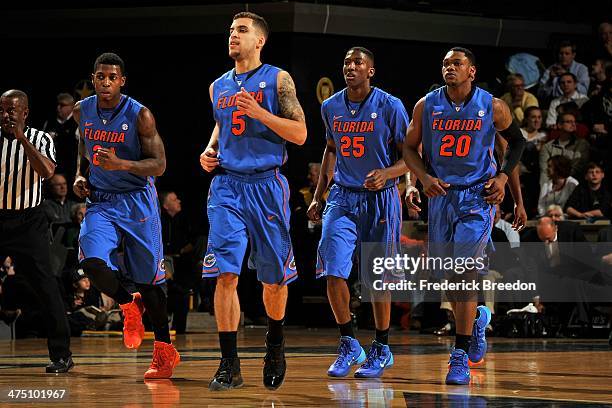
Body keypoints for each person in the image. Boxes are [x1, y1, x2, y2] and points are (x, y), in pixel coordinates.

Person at [402, 47, 525, 385]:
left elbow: (517, 144)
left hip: (476, 196)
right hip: (441, 195)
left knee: (464, 271)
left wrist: (503, 180)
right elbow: (409, 148)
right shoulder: (427, 105)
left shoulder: (493, 106)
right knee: (447, 278)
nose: (449, 68)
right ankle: (476, 321)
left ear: (472, 71)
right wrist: (421, 180)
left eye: (457, 63)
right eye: (445, 63)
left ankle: (459, 355)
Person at [199, 12, 307, 391]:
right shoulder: (217, 86)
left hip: (267, 187)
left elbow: (300, 133)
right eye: (230, 30)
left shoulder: (278, 79)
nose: (233, 35)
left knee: (274, 278)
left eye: (241, 31)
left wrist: (261, 113)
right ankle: (229, 363)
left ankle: (275, 343)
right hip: (227, 186)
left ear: (259, 41)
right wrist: (209, 149)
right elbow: (221, 125)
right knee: (225, 273)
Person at [72, 53, 179, 379]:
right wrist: (80, 174)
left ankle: (164, 350)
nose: (106, 83)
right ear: (93, 79)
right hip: (102, 201)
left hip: (137, 202)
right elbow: (83, 145)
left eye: (112, 77)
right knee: (92, 262)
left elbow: (159, 165)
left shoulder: (140, 115)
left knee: (150, 285)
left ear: (122, 81)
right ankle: (126, 304)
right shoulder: (82, 110)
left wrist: (122, 164)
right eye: (100, 77)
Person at [307, 47, 409, 378]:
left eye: (358, 63)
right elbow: (331, 150)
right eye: (347, 62)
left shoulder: (391, 106)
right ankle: (349, 342)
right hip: (342, 198)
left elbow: (414, 157)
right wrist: (319, 194)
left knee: (378, 277)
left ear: (371, 71)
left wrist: (389, 174)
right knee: (333, 270)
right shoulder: (330, 106)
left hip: (381, 199)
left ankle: (382, 346)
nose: (351, 67)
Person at [0, 89, 73, 372]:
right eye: (3, 110)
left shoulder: (42, 138)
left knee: (46, 286)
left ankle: (61, 354)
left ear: (25, 113)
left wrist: (22, 140)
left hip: (29, 221)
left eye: (12, 111)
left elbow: (47, 172)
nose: (6, 115)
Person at [42, 93, 78, 181]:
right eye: (57, 105)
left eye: (62, 105)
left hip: (71, 169)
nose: (58, 108)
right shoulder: (49, 122)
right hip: (53, 168)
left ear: (72, 106)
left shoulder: (77, 121)